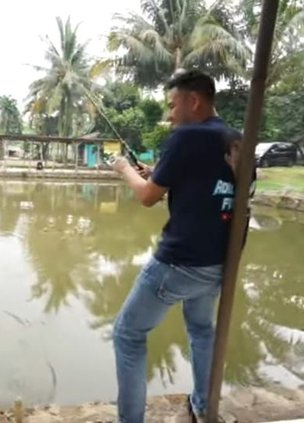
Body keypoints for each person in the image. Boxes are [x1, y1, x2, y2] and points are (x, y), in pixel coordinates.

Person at [111, 70, 253, 423]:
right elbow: (207, 190)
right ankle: (204, 406)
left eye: (173, 106)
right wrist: (157, 175)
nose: (170, 115)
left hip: (178, 264)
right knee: (202, 330)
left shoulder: (186, 136)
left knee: (128, 334)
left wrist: (125, 169)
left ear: (194, 101)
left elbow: (146, 197)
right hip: (218, 265)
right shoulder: (236, 140)